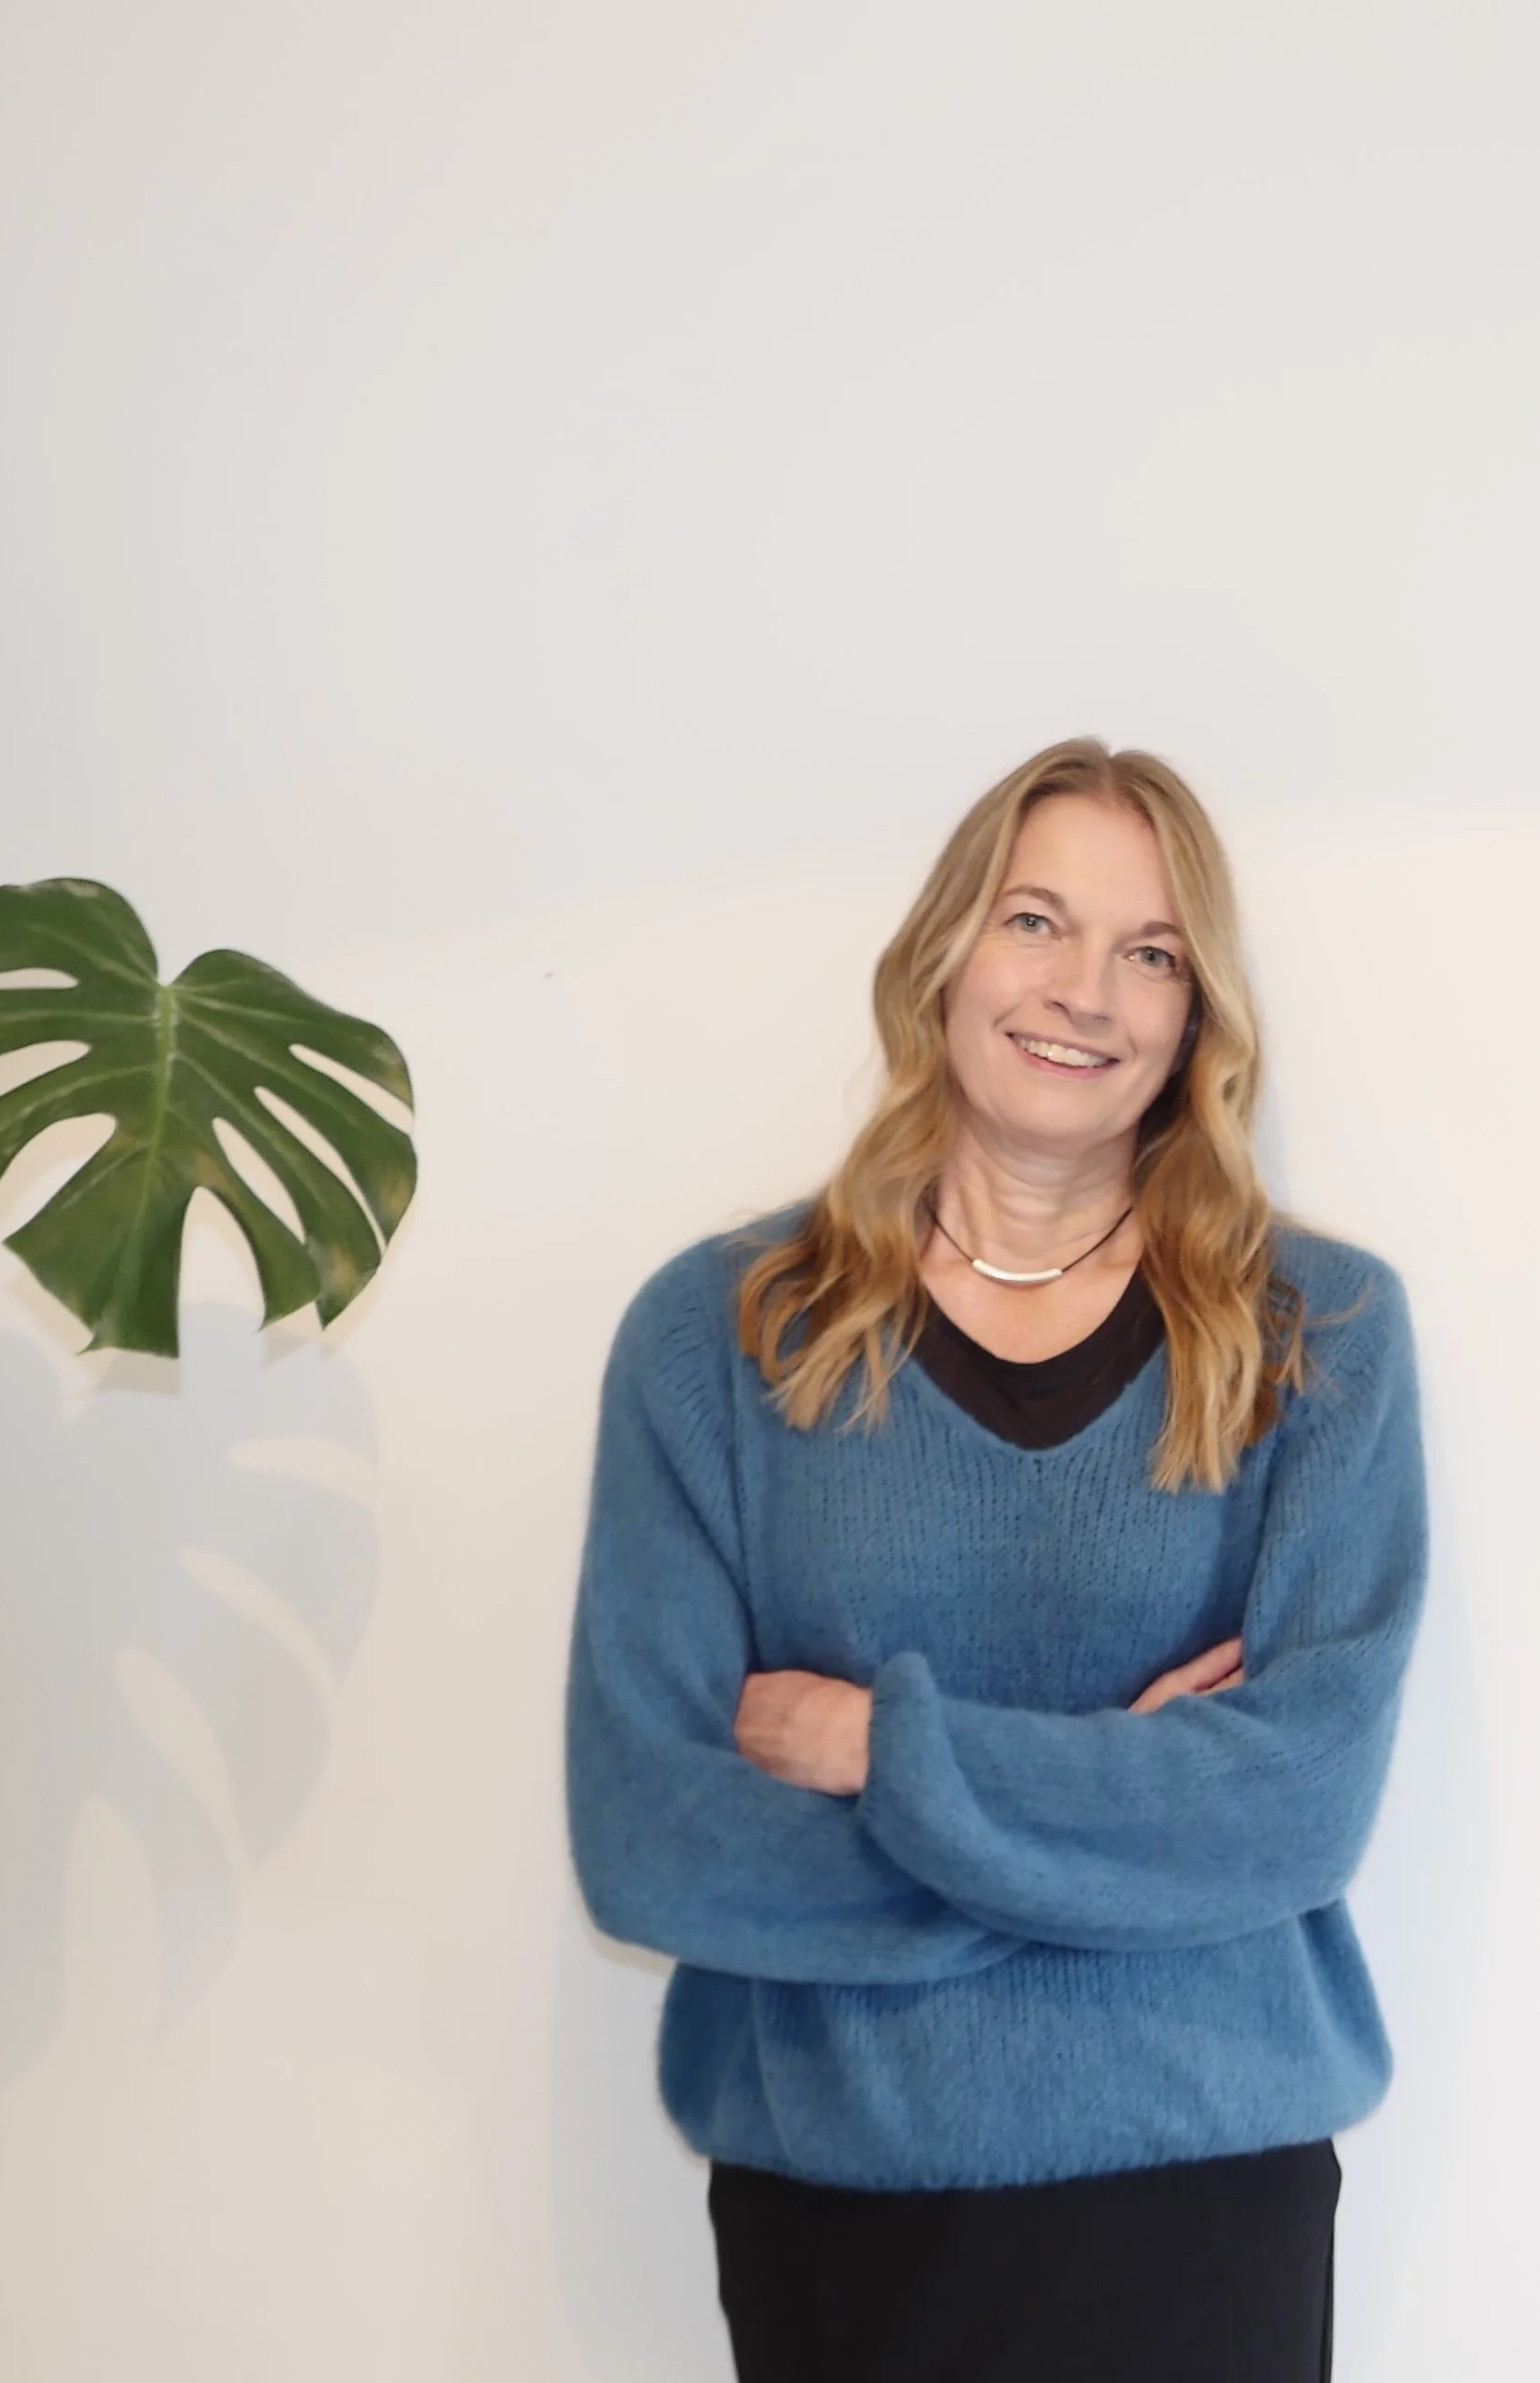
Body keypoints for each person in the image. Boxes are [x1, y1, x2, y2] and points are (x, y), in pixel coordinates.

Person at [563, 737, 1428, 2382]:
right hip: (844, 2213)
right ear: (946, 950)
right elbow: (650, 1842)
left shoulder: (1323, 1338)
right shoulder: (720, 1337)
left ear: (1195, 1019)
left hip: (1201, 2211)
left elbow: (1299, 1807)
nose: (1085, 991)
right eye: (1037, 921)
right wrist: (1121, 1820)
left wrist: (880, 1750)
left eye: (1151, 953)